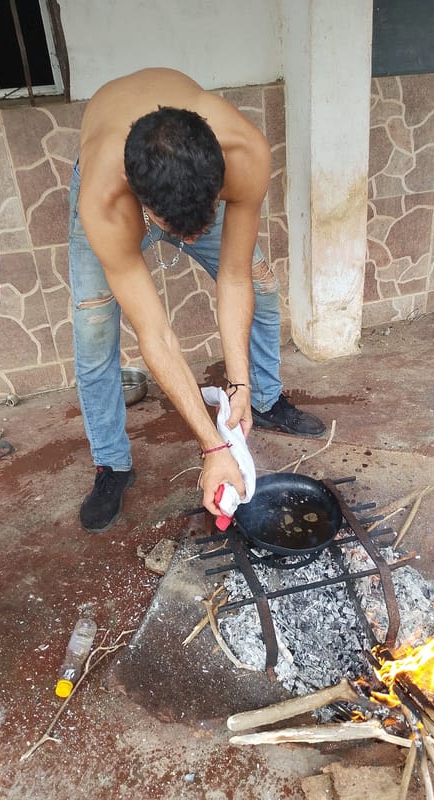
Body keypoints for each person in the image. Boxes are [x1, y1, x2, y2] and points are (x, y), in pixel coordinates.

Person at [69, 67, 325, 533]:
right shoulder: (104, 200)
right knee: (94, 328)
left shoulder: (245, 154)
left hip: (186, 189)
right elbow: (156, 334)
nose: (191, 239)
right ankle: (111, 463)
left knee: (262, 284)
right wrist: (214, 446)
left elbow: (234, 277)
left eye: (203, 224)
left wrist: (238, 385)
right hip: (116, 180)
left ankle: (263, 399)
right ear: (143, 202)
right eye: (180, 231)